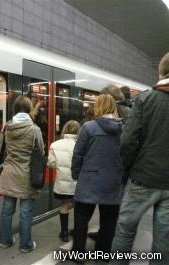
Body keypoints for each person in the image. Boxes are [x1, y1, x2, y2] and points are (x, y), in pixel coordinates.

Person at [109, 53, 169, 265]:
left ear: (160, 72)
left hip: (142, 179)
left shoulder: (146, 99)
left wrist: (126, 171)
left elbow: (127, 142)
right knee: (164, 239)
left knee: (125, 231)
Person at [71, 94, 122, 261]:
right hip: (113, 180)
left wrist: (75, 174)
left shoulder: (88, 127)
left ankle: (78, 253)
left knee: (81, 219)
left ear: (97, 107)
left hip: (89, 179)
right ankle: (103, 253)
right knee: (109, 220)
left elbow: (78, 154)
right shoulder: (123, 128)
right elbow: (128, 154)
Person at [0, 96, 44, 253]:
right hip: (27, 174)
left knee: (7, 209)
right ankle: (25, 245)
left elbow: (0, 150)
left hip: (9, 173)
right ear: (30, 109)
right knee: (25, 212)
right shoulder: (34, 129)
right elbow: (41, 152)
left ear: (14, 109)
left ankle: (5, 241)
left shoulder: (7, 127)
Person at [47, 120, 81, 242]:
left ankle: (64, 233)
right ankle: (78, 231)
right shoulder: (81, 144)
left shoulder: (55, 145)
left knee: (64, 205)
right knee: (79, 208)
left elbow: (51, 164)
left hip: (62, 182)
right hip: (78, 183)